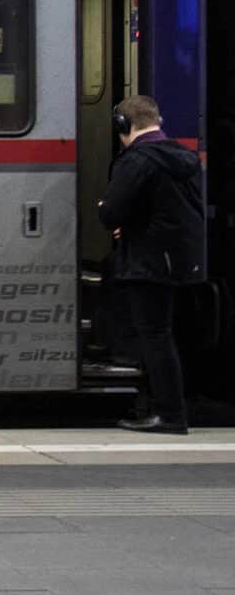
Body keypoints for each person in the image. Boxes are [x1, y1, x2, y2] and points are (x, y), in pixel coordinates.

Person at [103, 94, 205, 435]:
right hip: (176, 258)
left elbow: (111, 211)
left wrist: (111, 212)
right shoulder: (180, 156)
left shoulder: (138, 160)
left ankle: (170, 414)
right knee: (161, 333)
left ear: (123, 125)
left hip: (148, 259)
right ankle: (165, 409)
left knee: (155, 336)